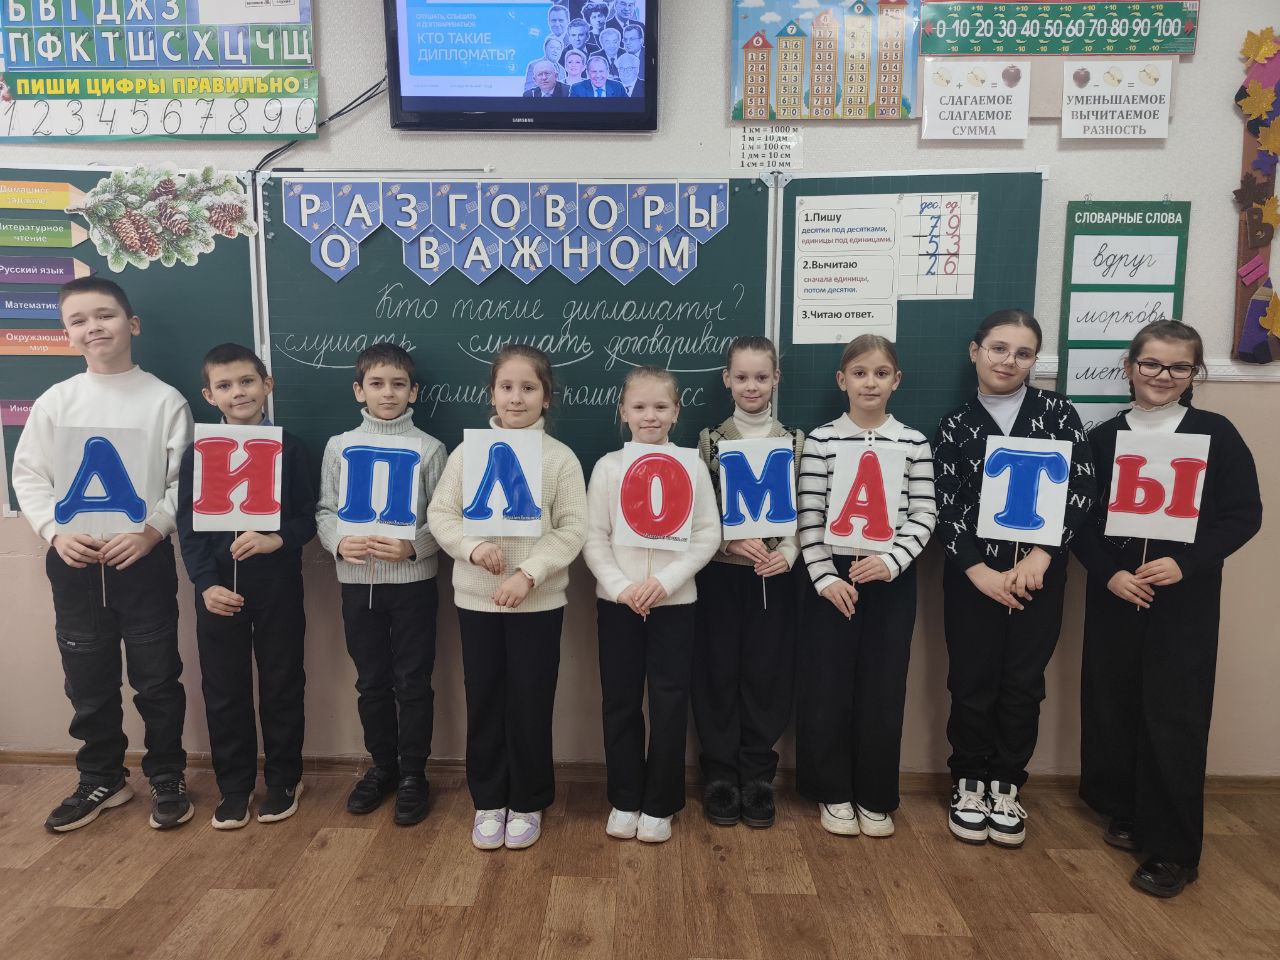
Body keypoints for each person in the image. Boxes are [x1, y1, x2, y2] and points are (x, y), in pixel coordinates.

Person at [1072, 320, 1261, 898]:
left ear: (1194, 373)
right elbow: (1079, 519)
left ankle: (1174, 849)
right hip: (1118, 594)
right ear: (1129, 367)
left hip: (1184, 599)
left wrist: (1188, 563)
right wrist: (1110, 574)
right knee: (1114, 701)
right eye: (1151, 363)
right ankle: (1128, 807)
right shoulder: (1103, 438)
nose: (1163, 375)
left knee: (1175, 715)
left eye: (1179, 366)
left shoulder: (1216, 433)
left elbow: (1243, 514)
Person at [13, 277, 194, 833]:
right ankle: (102, 776)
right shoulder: (56, 401)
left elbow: (183, 482)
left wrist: (152, 532)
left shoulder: (165, 400)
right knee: (87, 680)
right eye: (78, 320)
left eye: (105, 315)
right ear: (67, 335)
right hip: (74, 564)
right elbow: (29, 475)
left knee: (157, 680)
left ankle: (167, 774)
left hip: (142, 561)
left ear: (131, 324)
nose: (93, 327)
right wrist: (54, 532)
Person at [933, 308, 1095, 848]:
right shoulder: (955, 424)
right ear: (975, 351)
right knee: (971, 682)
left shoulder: (1058, 413)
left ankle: (1006, 783)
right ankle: (968, 782)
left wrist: (1042, 556)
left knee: (1023, 684)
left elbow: (1081, 490)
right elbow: (945, 506)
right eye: (999, 348)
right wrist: (978, 571)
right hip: (973, 579)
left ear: (1034, 361)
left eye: (1023, 353)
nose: (1009, 361)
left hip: (1038, 577)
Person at [428, 346, 588, 851]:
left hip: (537, 603)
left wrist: (528, 574)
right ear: (492, 393)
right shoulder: (466, 454)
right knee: (485, 698)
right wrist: (473, 548)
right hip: (477, 601)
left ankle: (528, 799)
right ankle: (489, 798)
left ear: (546, 397)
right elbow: (442, 514)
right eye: (507, 387)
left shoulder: (560, 459)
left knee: (531, 700)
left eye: (529, 388)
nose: (516, 398)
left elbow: (572, 529)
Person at [796, 336, 936, 839]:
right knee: (827, 686)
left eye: (880, 373)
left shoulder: (914, 443)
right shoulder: (821, 441)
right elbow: (809, 516)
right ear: (842, 380)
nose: (869, 383)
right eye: (859, 373)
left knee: (883, 689)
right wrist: (824, 577)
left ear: (896, 381)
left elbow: (924, 514)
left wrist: (891, 562)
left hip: (889, 576)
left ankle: (875, 795)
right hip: (832, 578)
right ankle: (831, 791)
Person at [176, 343, 316, 829]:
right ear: (209, 396)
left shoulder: (291, 448)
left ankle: (284, 780)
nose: (238, 392)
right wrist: (205, 584)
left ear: (267, 385)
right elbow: (189, 529)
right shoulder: (198, 454)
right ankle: (234, 787)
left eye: (247, 381)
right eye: (225, 385)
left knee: (282, 683)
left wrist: (277, 538)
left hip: (278, 587)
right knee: (224, 689)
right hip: (217, 592)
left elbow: (307, 519)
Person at [584, 367, 720, 844]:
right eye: (639, 407)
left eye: (661, 407)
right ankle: (624, 798)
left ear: (676, 412)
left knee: (669, 702)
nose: (650, 416)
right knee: (620, 701)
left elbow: (707, 534)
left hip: (675, 604)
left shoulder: (692, 466)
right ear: (623, 411)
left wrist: (664, 583)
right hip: (618, 604)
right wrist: (622, 587)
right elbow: (594, 537)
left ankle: (660, 803)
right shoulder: (608, 467)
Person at [316, 344, 446, 827]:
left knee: (413, 681)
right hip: (357, 582)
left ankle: (413, 773)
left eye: (397, 384)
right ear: (359, 391)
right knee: (371, 681)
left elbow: (443, 517)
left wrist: (414, 546)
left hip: (412, 584)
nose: (387, 393)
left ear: (414, 392)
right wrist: (338, 542)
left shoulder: (430, 448)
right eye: (376, 384)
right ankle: (382, 767)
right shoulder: (339, 446)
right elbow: (325, 510)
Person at [693, 337, 804, 829]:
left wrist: (788, 554)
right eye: (742, 377)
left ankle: (758, 775)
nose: (752, 386)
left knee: (766, 675)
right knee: (717, 673)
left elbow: (807, 508)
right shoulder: (709, 442)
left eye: (761, 377)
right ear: (727, 380)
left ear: (776, 378)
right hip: (722, 575)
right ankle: (719, 775)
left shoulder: (795, 441)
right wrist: (727, 542)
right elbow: (699, 510)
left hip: (772, 576)